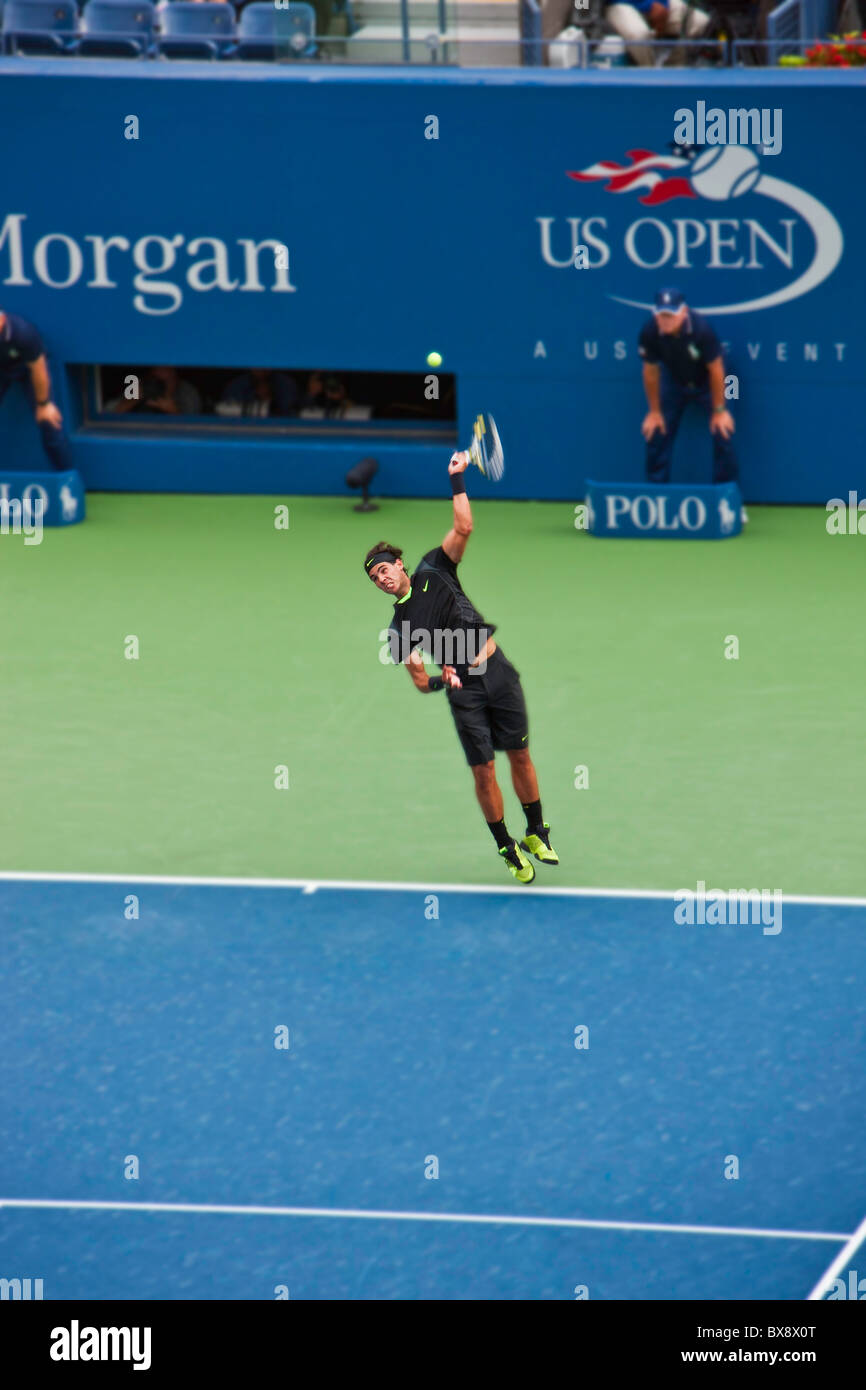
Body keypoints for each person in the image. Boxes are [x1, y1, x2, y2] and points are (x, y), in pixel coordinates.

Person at [365, 451, 558, 885]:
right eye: (374, 579)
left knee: (521, 754)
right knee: (484, 769)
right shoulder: (399, 629)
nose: (381, 578)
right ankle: (506, 845)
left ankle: (537, 831)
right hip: (464, 691)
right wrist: (441, 679)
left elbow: (463, 527)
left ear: (399, 565)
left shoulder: (436, 566)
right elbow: (418, 680)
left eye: (383, 570)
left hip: (498, 671)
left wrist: (457, 479)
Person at [638, 287, 738, 486]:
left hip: (716, 380)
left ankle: (727, 498)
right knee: (656, 430)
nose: (665, 320)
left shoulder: (702, 329)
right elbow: (650, 371)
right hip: (675, 381)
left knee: (723, 429)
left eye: (671, 315)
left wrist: (719, 410)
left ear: (683, 312)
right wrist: (654, 411)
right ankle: (657, 498)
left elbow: (717, 370)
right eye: (661, 315)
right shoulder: (649, 332)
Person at [0, 306, 70, 471]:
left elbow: (38, 369)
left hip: (29, 371)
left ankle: (66, 479)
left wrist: (44, 404)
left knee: (49, 421)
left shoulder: (23, 333)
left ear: (2, 321)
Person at [604, 0, 710, 64]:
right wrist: (648, 5)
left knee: (702, 22)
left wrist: (661, 6)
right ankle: (651, 80)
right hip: (620, 3)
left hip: (658, 2)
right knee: (639, 36)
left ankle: (675, 71)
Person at [107, 365, 201, 415]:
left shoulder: (186, 392)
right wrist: (131, 401)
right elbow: (106, 416)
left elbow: (197, 428)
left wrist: (174, 411)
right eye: (156, 378)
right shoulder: (139, 386)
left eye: (166, 370)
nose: (159, 386)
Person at [215, 369, 299, 418]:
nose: (261, 369)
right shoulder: (237, 385)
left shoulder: (285, 384)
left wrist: (271, 401)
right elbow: (224, 410)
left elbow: (291, 414)